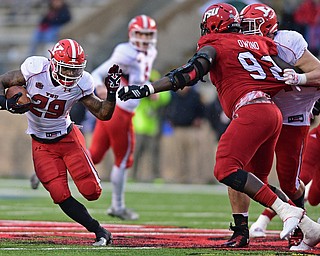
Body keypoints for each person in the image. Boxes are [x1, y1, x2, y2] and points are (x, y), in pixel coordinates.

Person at [118, 2, 320, 250]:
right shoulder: (261, 44)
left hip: (258, 111)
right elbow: (281, 73)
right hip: (271, 112)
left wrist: (147, 87)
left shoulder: (219, 44)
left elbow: (188, 74)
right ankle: (306, 227)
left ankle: (288, 211)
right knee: (253, 180)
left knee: (225, 168)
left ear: (211, 27)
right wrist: (300, 81)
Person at [0, 38, 121, 246]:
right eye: (67, 69)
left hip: (67, 138)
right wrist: (6, 103)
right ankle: (98, 230)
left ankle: (47, 171)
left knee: (92, 192)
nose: (72, 75)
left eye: (76, 70)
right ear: (53, 63)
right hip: (41, 144)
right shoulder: (34, 69)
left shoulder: (82, 82)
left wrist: (111, 94)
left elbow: (102, 113)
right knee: (59, 194)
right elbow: (3, 82)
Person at [224, 3, 320, 250]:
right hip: (262, 111)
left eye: (250, 27)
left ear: (268, 27)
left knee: (290, 182)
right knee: (239, 168)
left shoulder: (288, 42)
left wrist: (300, 78)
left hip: (294, 116)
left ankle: (302, 224)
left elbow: (318, 71)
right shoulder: (238, 46)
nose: (245, 32)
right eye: (242, 27)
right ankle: (240, 229)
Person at [88, 14, 158, 220]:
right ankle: (117, 205)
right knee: (124, 158)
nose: (144, 39)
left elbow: (139, 77)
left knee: (95, 154)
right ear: (132, 34)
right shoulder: (125, 52)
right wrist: (100, 86)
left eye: (148, 34)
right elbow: (97, 73)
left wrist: (147, 90)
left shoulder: (151, 51)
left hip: (121, 109)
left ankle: (50, 171)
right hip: (120, 110)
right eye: (141, 34)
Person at [132, 70, 171, 181]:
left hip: (152, 128)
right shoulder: (139, 88)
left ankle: (156, 176)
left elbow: (166, 97)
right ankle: (133, 175)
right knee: (136, 154)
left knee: (154, 153)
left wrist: (156, 93)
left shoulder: (159, 93)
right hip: (139, 127)